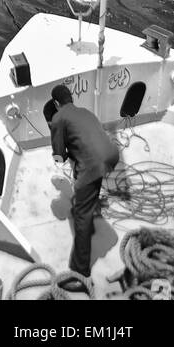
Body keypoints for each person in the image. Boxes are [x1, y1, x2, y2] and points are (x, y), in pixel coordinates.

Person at [47, 83, 120, 277]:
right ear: (71, 98)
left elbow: (59, 156)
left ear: (56, 103)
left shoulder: (58, 118)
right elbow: (89, 139)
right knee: (89, 187)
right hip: (111, 155)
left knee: (81, 215)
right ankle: (91, 213)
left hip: (93, 165)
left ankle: (80, 269)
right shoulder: (86, 112)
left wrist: (58, 146)